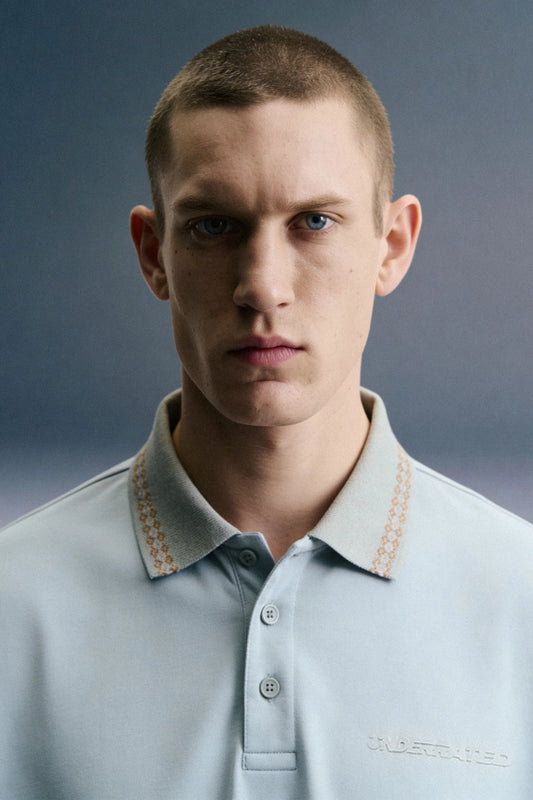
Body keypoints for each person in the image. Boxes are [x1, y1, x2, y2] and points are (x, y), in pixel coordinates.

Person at [1, 25, 532, 800]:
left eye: (313, 221)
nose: (262, 286)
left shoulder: (520, 599)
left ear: (391, 245)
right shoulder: (12, 603)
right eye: (213, 226)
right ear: (152, 254)